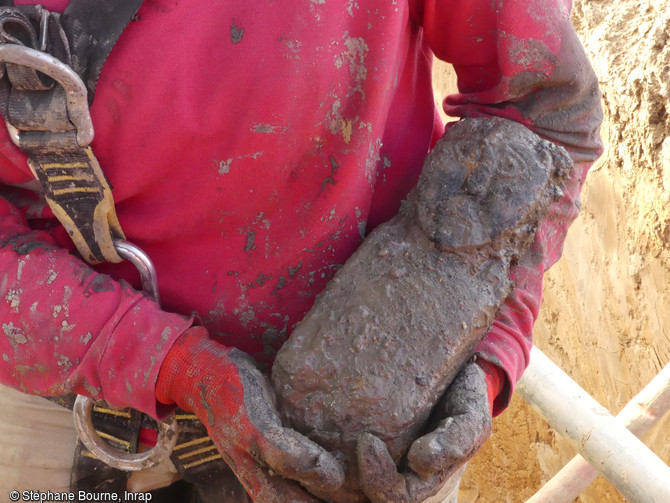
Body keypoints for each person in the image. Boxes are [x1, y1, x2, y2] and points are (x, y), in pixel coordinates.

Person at [0, 0, 602, 501]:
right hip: (68, 421)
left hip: (379, 437)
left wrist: (488, 348)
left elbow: (546, 110)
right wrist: (172, 364)